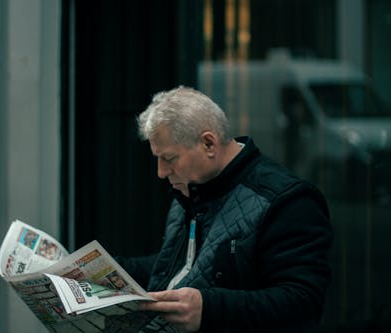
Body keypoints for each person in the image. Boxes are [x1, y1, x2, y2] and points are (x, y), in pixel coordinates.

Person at [118, 86, 333, 332]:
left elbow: (303, 303)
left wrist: (209, 309)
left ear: (209, 143)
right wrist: (100, 272)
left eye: (168, 158)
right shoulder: (192, 186)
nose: (161, 172)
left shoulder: (288, 200)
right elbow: (183, 267)